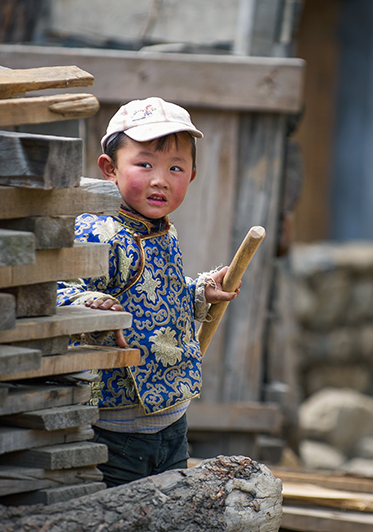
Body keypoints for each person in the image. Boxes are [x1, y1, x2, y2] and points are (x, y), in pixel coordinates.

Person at [57, 97, 239, 487]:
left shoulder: (164, 232)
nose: (161, 179)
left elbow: (160, 302)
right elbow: (52, 287)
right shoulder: (97, 231)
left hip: (172, 420)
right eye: (144, 164)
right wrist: (93, 305)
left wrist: (202, 292)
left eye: (175, 167)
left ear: (191, 176)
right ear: (110, 169)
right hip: (113, 426)